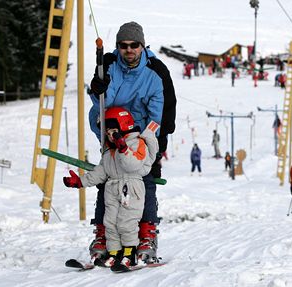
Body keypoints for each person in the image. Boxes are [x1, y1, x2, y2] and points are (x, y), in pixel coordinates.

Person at [88, 21, 176, 264]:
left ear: (142, 45)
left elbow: (159, 114)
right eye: (123, 45)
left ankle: (147, 234)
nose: (129, 50)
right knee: (108, 180)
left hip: (141, 136)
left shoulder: (155, 73)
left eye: (134, 45)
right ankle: (103, 234)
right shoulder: (108, 65)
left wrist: (153, 149)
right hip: (111, 132)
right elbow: (101, 104)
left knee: (144, 181)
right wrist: (98, 89)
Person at [63, 107, 159, 268]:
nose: (110, 135)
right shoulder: (109, 150)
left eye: (113, 131)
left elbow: (132, 165)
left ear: (124, 126)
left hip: (131, 187)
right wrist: (80, 182)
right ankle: (114, 253)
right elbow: (101, 172)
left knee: (126, 222)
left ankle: (129, 253)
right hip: (112, 188)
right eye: (107, 132)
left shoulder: (137, 143)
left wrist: (123, 148)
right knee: (111, 223)